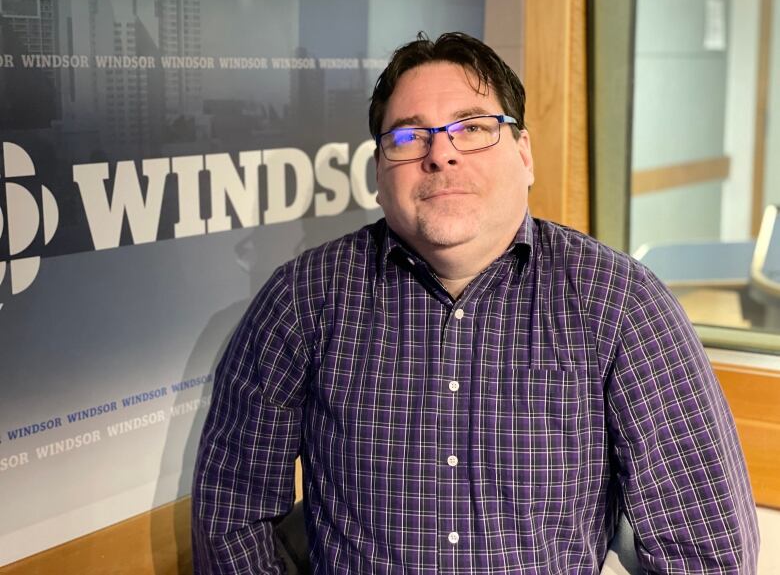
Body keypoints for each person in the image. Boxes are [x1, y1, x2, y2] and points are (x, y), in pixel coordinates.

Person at [191, 32, 760, 574]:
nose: (441, 155)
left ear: (524, 152)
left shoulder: (619, 303)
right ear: (378, 172)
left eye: (472, 127)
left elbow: (706, 548)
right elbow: (231, 512)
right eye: (409, 137)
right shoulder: (302, 299)